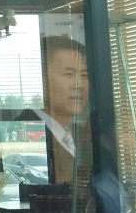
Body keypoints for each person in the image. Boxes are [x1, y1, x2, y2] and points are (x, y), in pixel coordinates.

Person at [16, 36, 89, 185]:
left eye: (84, 75)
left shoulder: (77, 135)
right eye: (68, 74)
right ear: (41, 80)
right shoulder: (23, 134)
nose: (79, 85)